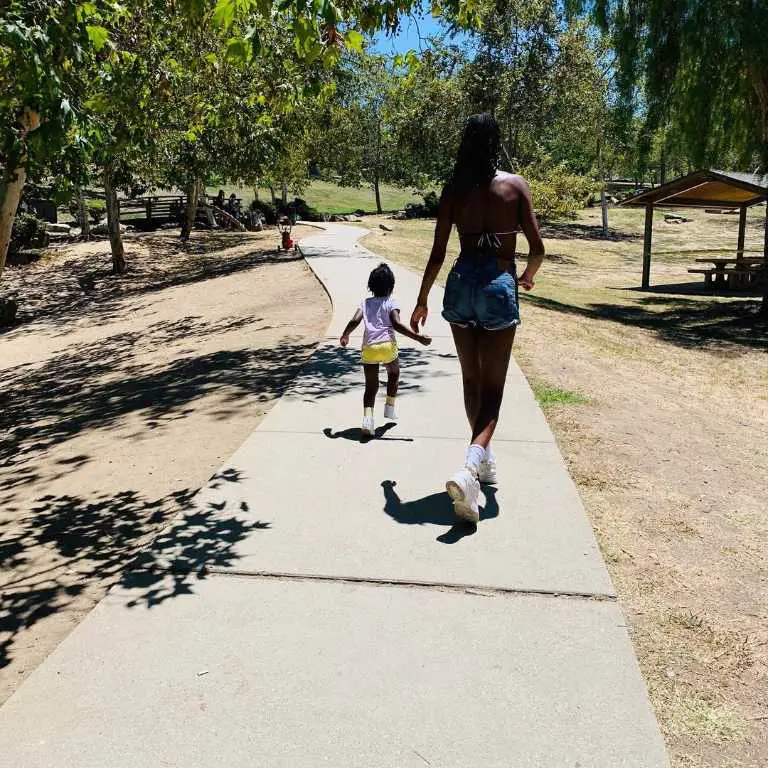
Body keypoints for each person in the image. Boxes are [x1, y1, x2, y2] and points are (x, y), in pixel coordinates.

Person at [410, 113, 545, 524]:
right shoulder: (514, 186)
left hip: (461, 283)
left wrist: (421, 300)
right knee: (495, 390)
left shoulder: (453, 190)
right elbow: (538, 249)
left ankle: (481, 460)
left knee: (471, 380)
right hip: (498, 285)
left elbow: (437, 253)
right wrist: (526, 277)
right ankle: (471, 468)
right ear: (495, 143)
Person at [340, 263, 432, 437]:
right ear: (391, 286)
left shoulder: (365, 303)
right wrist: (418, 338)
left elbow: (355, 320)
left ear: (371, 286)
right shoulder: (391, 302)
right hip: (387, 346)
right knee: (394, 373)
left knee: (371, 386)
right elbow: (396, 324)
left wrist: (345, 335)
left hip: (369, 349)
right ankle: (389, 407)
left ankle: (367, 421)